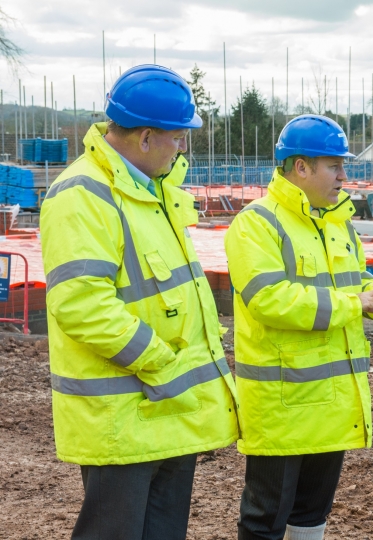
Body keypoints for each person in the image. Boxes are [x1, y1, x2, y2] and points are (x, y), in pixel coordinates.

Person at [41, 65, 239, 540]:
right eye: (179, 136)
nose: (184, 147)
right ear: (146, 137)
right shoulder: (82, 195)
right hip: (126, 414)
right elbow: (82, 304)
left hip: (166, 408)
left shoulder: (155, 191)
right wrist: (160, 361)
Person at [226, 114, 373, 540]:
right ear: (301, 168)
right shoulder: (257, 223)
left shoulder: (337, 222)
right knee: (265, 518)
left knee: (312, 515)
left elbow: (354, 283)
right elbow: (268, 300)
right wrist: (355, 302)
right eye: (335, 166)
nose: (344, 176)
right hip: (284, 404)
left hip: (331, 401)